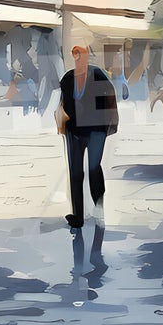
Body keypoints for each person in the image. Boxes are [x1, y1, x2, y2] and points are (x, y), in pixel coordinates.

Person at [55, 42, 119, 226]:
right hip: (74, 130)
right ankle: (77, 216)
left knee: (93, 167)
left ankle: (99, 207)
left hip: (96, 129)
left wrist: (109, 123)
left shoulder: (97, 74)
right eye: (75, 54)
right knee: (75, 172)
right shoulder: (67, 79)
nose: (78, 58)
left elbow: (110, 97)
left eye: (81, 54)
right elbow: (62, 103)